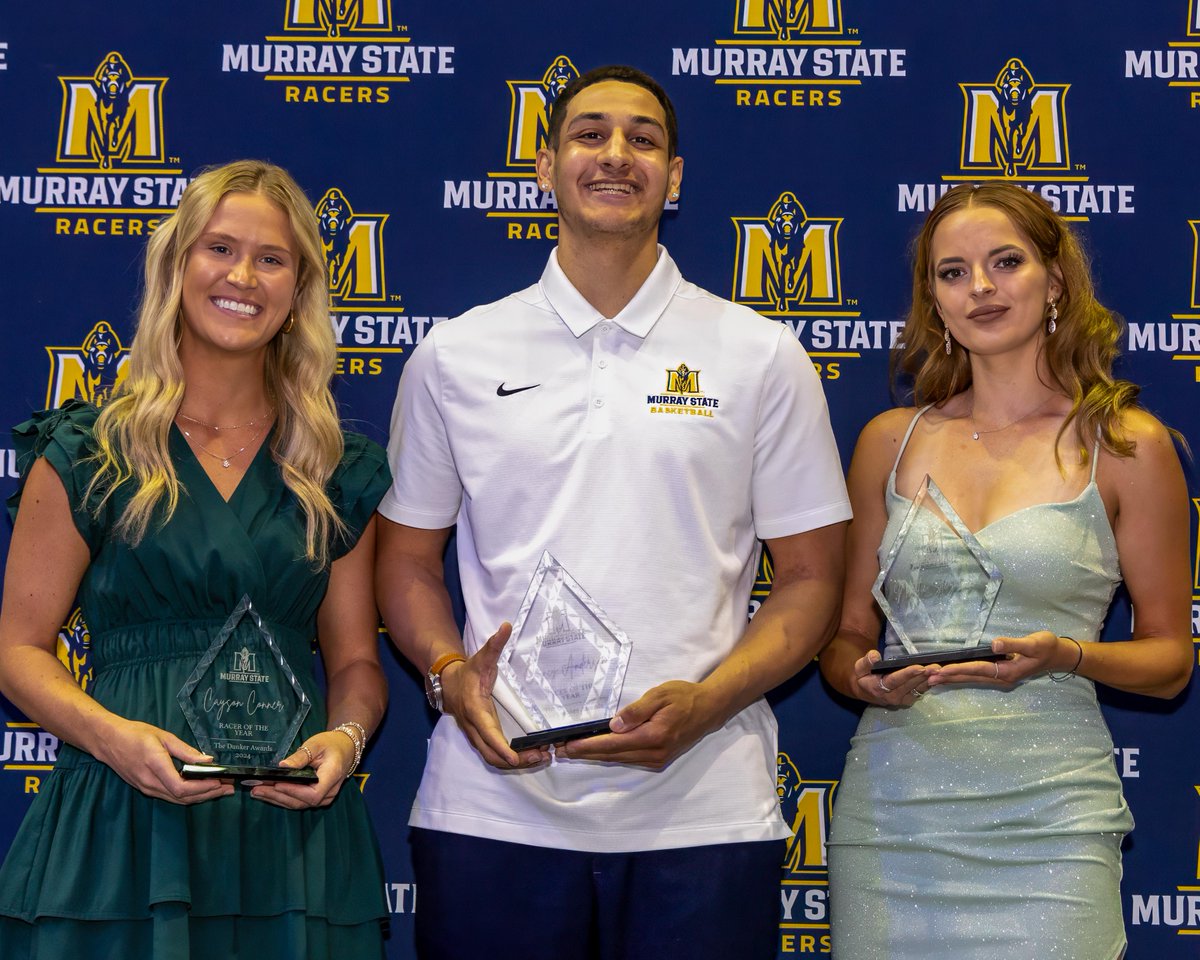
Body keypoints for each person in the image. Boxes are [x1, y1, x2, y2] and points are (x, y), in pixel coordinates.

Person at [375, 65, 850, 959]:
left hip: (703, 815)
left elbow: (814, 583)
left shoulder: (762, 356)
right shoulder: (455, 354)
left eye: (644, 138)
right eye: (589, 134)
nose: (616, 154)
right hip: (492, 809)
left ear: (675, 179)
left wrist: (709, 702)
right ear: (545, 167)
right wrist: (447, 671)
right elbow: (402, 564)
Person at [0, 160, 391, 959]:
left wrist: (345, 742)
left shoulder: (333, 468)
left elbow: (355, 663)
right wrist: (113, 739)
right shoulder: (87, 450)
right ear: (177, 265)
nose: (242, 276)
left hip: (290, 843)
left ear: (298, 293)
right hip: (118, 826)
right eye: (219, 248)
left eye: (271, 259)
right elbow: (17, 650)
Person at [820, 182, 1192, 959]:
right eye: (953, 273)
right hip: (894, 818)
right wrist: (860, 677)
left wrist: (1068, 655)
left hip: (1052, 820)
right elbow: (849, 631)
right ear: (933, 300)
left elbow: (1169, 662)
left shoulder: (1128, 445)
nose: (980, 288)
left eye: (1005, 262)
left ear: (1055, 280)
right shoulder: (889, 441)